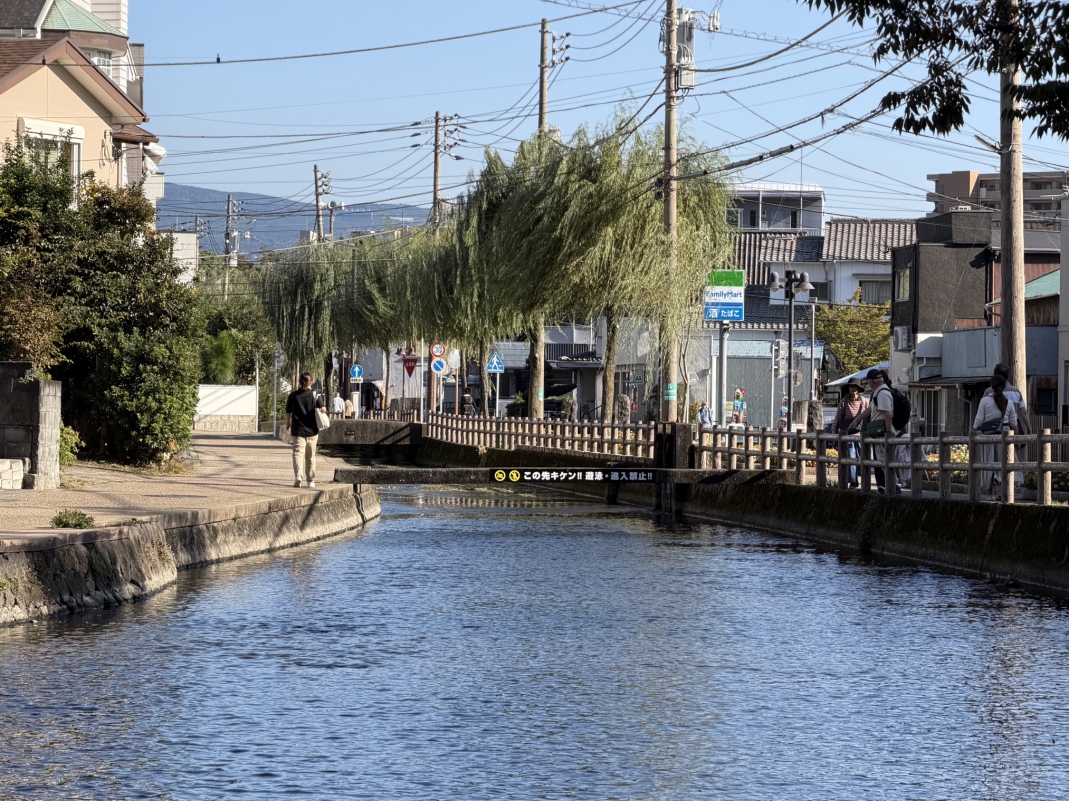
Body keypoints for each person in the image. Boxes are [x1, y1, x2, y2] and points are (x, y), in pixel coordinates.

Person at [851, 368, 896, 495]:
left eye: (868, 381)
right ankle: (884, 487)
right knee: (880, 460)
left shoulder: (882, 393)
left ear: (871, 381)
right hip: (879, 432)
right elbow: (870, 409)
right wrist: (857, 420)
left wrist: (888, 434)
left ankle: (892, 486)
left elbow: (887, 414)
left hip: (882, 432)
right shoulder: (879, 391)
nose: (868, 384)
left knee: (883, 461)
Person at [974, 374, 1018, 498]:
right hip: (1004, 435)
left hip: (988, 436)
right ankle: (1003, 492)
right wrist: (1017, 440)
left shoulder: (984, 401)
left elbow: (978, 420)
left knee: (988, 464)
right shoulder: (1009, 403)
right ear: (1003, 387)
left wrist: (973, 432)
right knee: (1004, 463)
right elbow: (1014, 423)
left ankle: (989, 493)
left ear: (991, 387)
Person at [285, 372, 326, 488]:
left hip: (298, 429)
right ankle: (310, 480)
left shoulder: (293, 396)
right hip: (312, 430)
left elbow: (288, 411)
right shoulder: (315, 394)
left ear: (299, 381)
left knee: (298, 453)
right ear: (311, 382)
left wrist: (288, 423)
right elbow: (323, 409)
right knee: (311, 456)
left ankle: (298, 476)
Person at [832, 379, 868, 489]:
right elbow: (838, 417)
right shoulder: (844, 401)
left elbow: (868, 417)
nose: (852, 388)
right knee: (851, 458)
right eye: (850, 386)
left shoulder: (865, 401)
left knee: (862, 459)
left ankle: (864, 482)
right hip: (848, 435)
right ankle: (853, 482)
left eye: (854, 386)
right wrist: (834, 432)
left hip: (861, 435)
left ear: (859, 388)